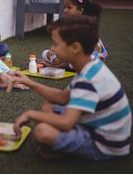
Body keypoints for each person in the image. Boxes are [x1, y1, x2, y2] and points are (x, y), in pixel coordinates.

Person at [13, 15, 131, 160]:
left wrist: (30, 114)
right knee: (48, 107)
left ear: (75, 48)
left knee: (42, 132)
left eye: (56, 44)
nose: (52, 49)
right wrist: (29, 82)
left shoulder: (88, 81)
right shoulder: (90, 63)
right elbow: (63, 97)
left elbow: (66, 123)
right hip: (98, 125)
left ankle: (63, 151)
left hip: (105, 143)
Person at [38, 0, 108, 69]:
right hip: (75, 52)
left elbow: (78, 49)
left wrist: (58, 62)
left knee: (74, 59)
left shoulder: (84, 27)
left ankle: (59, 65)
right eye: (65, 7)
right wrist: (53, 53)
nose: (65, 10)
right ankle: (63, 62)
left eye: (69, 8)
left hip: (93, 57)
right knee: (45, 53)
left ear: (80, 10)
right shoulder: (70, 24)